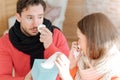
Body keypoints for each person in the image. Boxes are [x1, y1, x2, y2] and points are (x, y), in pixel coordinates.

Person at [0, 0, 69, 80]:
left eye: (40, 17)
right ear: (18, 17)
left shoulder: (56, 35)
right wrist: (25, 79)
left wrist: (50, 46)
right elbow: (2, 76)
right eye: (30, 18)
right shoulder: (6, 42)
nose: (36, 24)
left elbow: (67, 69)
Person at [55, 13, 120, 80]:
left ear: (92, 41)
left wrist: (66, 77)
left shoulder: (114, 74)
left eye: (79, 38)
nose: (78, 42)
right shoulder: (83, 61)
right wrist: (72, 64)